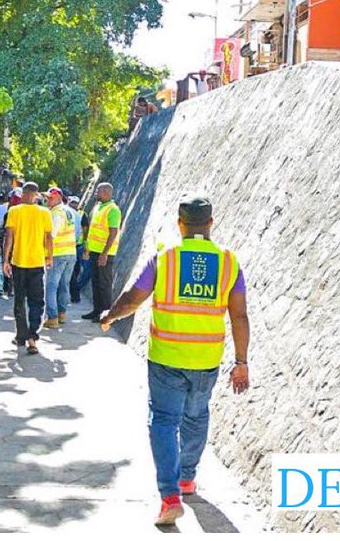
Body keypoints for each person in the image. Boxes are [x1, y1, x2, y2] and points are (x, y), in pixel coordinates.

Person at [100, 196, 249, 526]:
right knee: (196, 416)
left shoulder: (164, 259)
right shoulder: (228, 262)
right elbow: (239, 315)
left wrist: (110, 316)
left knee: (165, 422)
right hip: (207, 358)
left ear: (180, 224)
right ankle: (186, 478)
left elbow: (133, 298)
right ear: (211, 223)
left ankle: (170, 497)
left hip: (167, 357)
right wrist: (241, 361)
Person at [2, 181, 53, 355]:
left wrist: (5, 260)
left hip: (19, 263)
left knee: (19, 301)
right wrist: (49, 257)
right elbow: (49, 237)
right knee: (37, 302)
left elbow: (9, 237)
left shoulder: (14, 211)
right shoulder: (45, 212)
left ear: (22, 194)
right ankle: (33, 338)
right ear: (37, 195)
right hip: (37, 263)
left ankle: (21, 335)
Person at [81, 182, 122, 322]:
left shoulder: (113, 209)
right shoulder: (98, 207)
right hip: (94, 251)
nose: (95, 194)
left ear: (105, 192)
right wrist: (88, 248)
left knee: (104, 284)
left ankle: (105, 315)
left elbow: (113, 232)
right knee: (96, 282)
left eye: (97, 191)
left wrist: (104, 253)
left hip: (105, 253)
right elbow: (92, 230)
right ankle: (96, 311)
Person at [43, 187, 78, 328]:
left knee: (51, 286)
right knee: (64, 285)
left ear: (58, 198)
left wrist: (46, 253)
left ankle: (52, 318)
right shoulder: (69, 211)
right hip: (71, 252)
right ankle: (62, 313)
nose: (47, 200)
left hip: (58, 254)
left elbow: (52, 235)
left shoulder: (56, 213)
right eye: (47, 198)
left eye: (50, 198)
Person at [70, 197, 93, 302]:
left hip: (79, 246)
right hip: (70, 247)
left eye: (75, 203)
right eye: (72, 202)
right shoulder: (67, 213)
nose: (73, 204)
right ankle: (74, 293)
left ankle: (77, 289)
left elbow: (85, 229)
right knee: (73, 271)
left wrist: (85, 244)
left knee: (82, 269)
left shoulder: (82, 214)